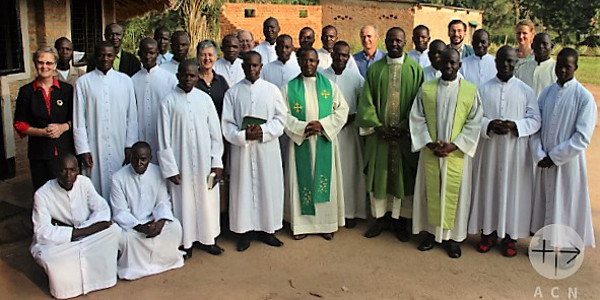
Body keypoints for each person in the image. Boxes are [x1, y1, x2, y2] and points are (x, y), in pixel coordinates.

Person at [409, 48, 483, 258]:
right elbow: (417, 117)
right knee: (430, 192)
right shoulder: (427, 88)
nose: (449, 66)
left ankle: (452, 239)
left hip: (456, 154)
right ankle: (431, 235)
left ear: (460, 65)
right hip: (431, 152)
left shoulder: (469, 90)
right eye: (446, 62)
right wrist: (429, 142)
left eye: (454, 63)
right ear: (439, 64)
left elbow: (475, 121)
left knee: (454, 196)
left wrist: (455, 145)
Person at [468, 46, 541, 257]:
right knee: (489, 190)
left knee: (512, 193)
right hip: (489, 152)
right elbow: (473, 118)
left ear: (516, 62)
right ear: (496, 63)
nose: (506, 65)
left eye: (510, 61)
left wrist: (515, 126)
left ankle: (510, 237)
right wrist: (488, 125)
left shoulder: (525, 91)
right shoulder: (482, 89)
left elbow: (535, 120)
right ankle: (488, 233)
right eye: (502, 61)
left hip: (514, 154)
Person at [356, 27, 423, 241]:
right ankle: (381, 218)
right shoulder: (375, 70)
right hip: (380, 136)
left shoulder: (415, 70)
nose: (394, 44)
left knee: (402, 177)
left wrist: (404, 126)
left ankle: (400, 221)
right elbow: (366, 101)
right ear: (384, 41)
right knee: (381, 176)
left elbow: (419, 104)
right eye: (391, 40)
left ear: (405, 43)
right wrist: (377, 126)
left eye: (399, 41)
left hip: (403, 137)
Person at [530, 48, 597, 248]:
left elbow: (582, 137)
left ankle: (565, 245)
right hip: (544, 159)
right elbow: (536, 124)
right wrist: (539, 153)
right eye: (560, 66)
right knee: (546, 202)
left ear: (576, 67)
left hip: (568, 163)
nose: (563, 70)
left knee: (565, 203)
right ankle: (545, 242)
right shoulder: (547, 92)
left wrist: (555, 157)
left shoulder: (583, 97)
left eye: (568, 67)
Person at [157, 60, 224, 258]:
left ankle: (208, 239)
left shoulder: (204, 99)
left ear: (198, 77)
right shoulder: (167, 102)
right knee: (183, 203)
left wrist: (216, 162)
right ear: (177, 75)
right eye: (184, 75)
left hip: (204, 163)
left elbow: (215, 134)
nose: (188, 79)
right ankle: (186, 243)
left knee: (207, 201)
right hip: (181, 163)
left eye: (192, 75)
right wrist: (170, 169)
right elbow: (164, 138)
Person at [30, 154, 121, 299]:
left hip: (87, 236)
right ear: (55, 171)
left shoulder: (84, 183)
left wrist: (87, 229)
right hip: (63, 243)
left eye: (72, 170)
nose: (68, 175)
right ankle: (67, 287)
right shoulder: (42, 194)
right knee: (47, 254)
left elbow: (102, 208)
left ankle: (100, 280)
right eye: (63, 170)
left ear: (78, 170)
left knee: (115, 231)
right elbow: (42, 232)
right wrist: (80, 232)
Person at [221, 51, 287, 251]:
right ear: (243, 67)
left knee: (268, 187)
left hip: (266, 149)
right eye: (248, 65)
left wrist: (264, 131)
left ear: (261, 66)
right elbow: (227, 123)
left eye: (256, 65)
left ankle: (269, 230)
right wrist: (242, 136)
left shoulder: (272, 90)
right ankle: (244, 232)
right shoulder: (232, 92)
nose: (252, 69)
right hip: (243, 151)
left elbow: (281, 118)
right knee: (244, 189)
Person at [282, 48, 349, 240]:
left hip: (324, 141)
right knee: (301, 181)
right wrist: (302, 128)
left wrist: (323, 125)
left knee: (324, 181)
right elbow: (282, 114)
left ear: (318, 62)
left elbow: (342, 110)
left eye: (312, 61)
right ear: (299, 62)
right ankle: (302, 226)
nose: (308, 64)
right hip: (301, 142)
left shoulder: (329, 86)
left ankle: (325, 224)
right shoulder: (289, 88)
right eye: (304, 60)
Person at [73, 41, 138, 198]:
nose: (105, 59)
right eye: (101, 55)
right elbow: (78, 119)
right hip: (94, 146)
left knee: (121, 186)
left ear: (114, 56)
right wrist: (83, 149)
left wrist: (130, 145)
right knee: (95, 188)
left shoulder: (125, 81)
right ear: (95, 57)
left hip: (119, 144)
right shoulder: (83, 83)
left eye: (109, 55)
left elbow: (132, 117)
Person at [110, 142, 185, 278]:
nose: (139, 163)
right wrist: (140, 227)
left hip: (154, 220)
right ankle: (134, 269)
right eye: (135, 159)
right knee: (126, 237)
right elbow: (119, 211)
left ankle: (164, 263)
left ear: (150, 159)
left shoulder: (157, 171)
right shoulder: (118, 178)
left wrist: (160, 223)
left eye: (143, 159)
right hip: (132, 225)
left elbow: (163, 202)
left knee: (175, 227)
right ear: (130, 157)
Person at [14, 47, 75, 191]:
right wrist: (41, 132)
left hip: (64, 149)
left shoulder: (67, 90)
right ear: (35, 64)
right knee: (42, 191)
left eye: (49, 63)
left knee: (66, 189)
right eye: (40, 62)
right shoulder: (26, 92)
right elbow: (19, 124)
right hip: (39, 151)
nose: (44, 67)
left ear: (55, 65)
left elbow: (77, 118)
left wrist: (63, 127)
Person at [322, 41, 367, 228]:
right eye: (338, 54)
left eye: (345, 55)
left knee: (349, 174)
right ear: (332, 53)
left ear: (349, 57)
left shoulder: (355, 78)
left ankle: (349, 212)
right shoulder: (321, 76)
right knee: (328, 173)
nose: (341, 58)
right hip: (326, 133)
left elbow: (364, 104)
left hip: (349, 134)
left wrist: (351, 118)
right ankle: (329, 212)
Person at [132, 38, 178, 163]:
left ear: (157, 53)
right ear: (139, 54)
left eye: (151, 53)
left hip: (163, 136)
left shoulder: (170, 79)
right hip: (140, 137)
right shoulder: (132, 81)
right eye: (144, 53)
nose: (148, 56)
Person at [196, 39, 230, 118]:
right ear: (197, 57)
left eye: (210, 55)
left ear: (215, 58)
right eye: (203, 55)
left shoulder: (221, 81)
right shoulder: (192, 81)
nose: (207, 58)